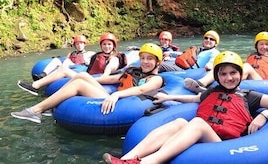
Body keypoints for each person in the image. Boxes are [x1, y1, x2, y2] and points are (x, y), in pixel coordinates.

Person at [99, 51, 268, 164]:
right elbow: (193, 98)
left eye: (233, 73)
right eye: (223, 74)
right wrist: (169, 97)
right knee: (179, 122)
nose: (229, 78)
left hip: (224, 147)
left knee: (197, 123)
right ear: (217, 76)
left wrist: (264, 116)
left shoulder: (249, 96)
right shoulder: (211, 92)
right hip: (201, 138)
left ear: (240, 75)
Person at [11, 43, 164, 124]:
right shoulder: (134, 71)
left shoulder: (156, 79)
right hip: (112, 98)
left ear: (158, 62)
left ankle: (35, 111)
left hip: (122, 104)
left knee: (79, 85)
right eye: (143, 58)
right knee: (82, 76)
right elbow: (111, 79)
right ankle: (49, 106)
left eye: (149, 59)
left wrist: (116, 94)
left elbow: (141, 89)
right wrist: (87, 79)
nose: (145, 62)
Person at [184, 31, 268, 93]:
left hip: (265, 84)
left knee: (246, 67)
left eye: (267, 45)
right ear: (256, 46)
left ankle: (227, 88)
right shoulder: (251, 57)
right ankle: (201, 84)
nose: (264, 47)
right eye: (261, 44)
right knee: (225, 66)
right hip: (250, 81)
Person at [17, 33, 127, 96]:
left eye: (109, 44)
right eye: (104, 44)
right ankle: (36, 86)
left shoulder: (115, 58)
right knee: (62, 68)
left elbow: (110, 66)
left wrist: (104, 76)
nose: (106, 46)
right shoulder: (99, 55)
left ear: (113, 46)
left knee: (63, 70)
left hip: (95, 80)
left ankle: (35, 86)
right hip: (88, 76)